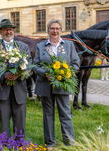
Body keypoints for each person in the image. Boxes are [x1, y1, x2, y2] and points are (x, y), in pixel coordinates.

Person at [33, 20, 80, 149]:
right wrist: (44, 73)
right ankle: (50, 143)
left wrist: (67, 74)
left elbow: (76, 64)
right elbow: (35, 65)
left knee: (65, 114)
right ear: (48, 30)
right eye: (52, 28)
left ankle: (69, 142)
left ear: (61, 30)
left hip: (63, 85)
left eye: (57, 28)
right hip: (45, 85)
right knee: (48, 114)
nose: (55, 31)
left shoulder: (69, 45)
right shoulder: (41, 46)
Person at [0, 19, 30, 138]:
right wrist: (4, 74)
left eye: (10, 29)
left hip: (19, 89)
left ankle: (20, 142)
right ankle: (4, 143)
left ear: (14, 31)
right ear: (0, 31)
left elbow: (29, 66)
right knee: (4, 120)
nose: (8, 32)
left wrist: (19, 73)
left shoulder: (23, 46)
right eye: (5, 29)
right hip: (2, 89)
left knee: (20, 120)